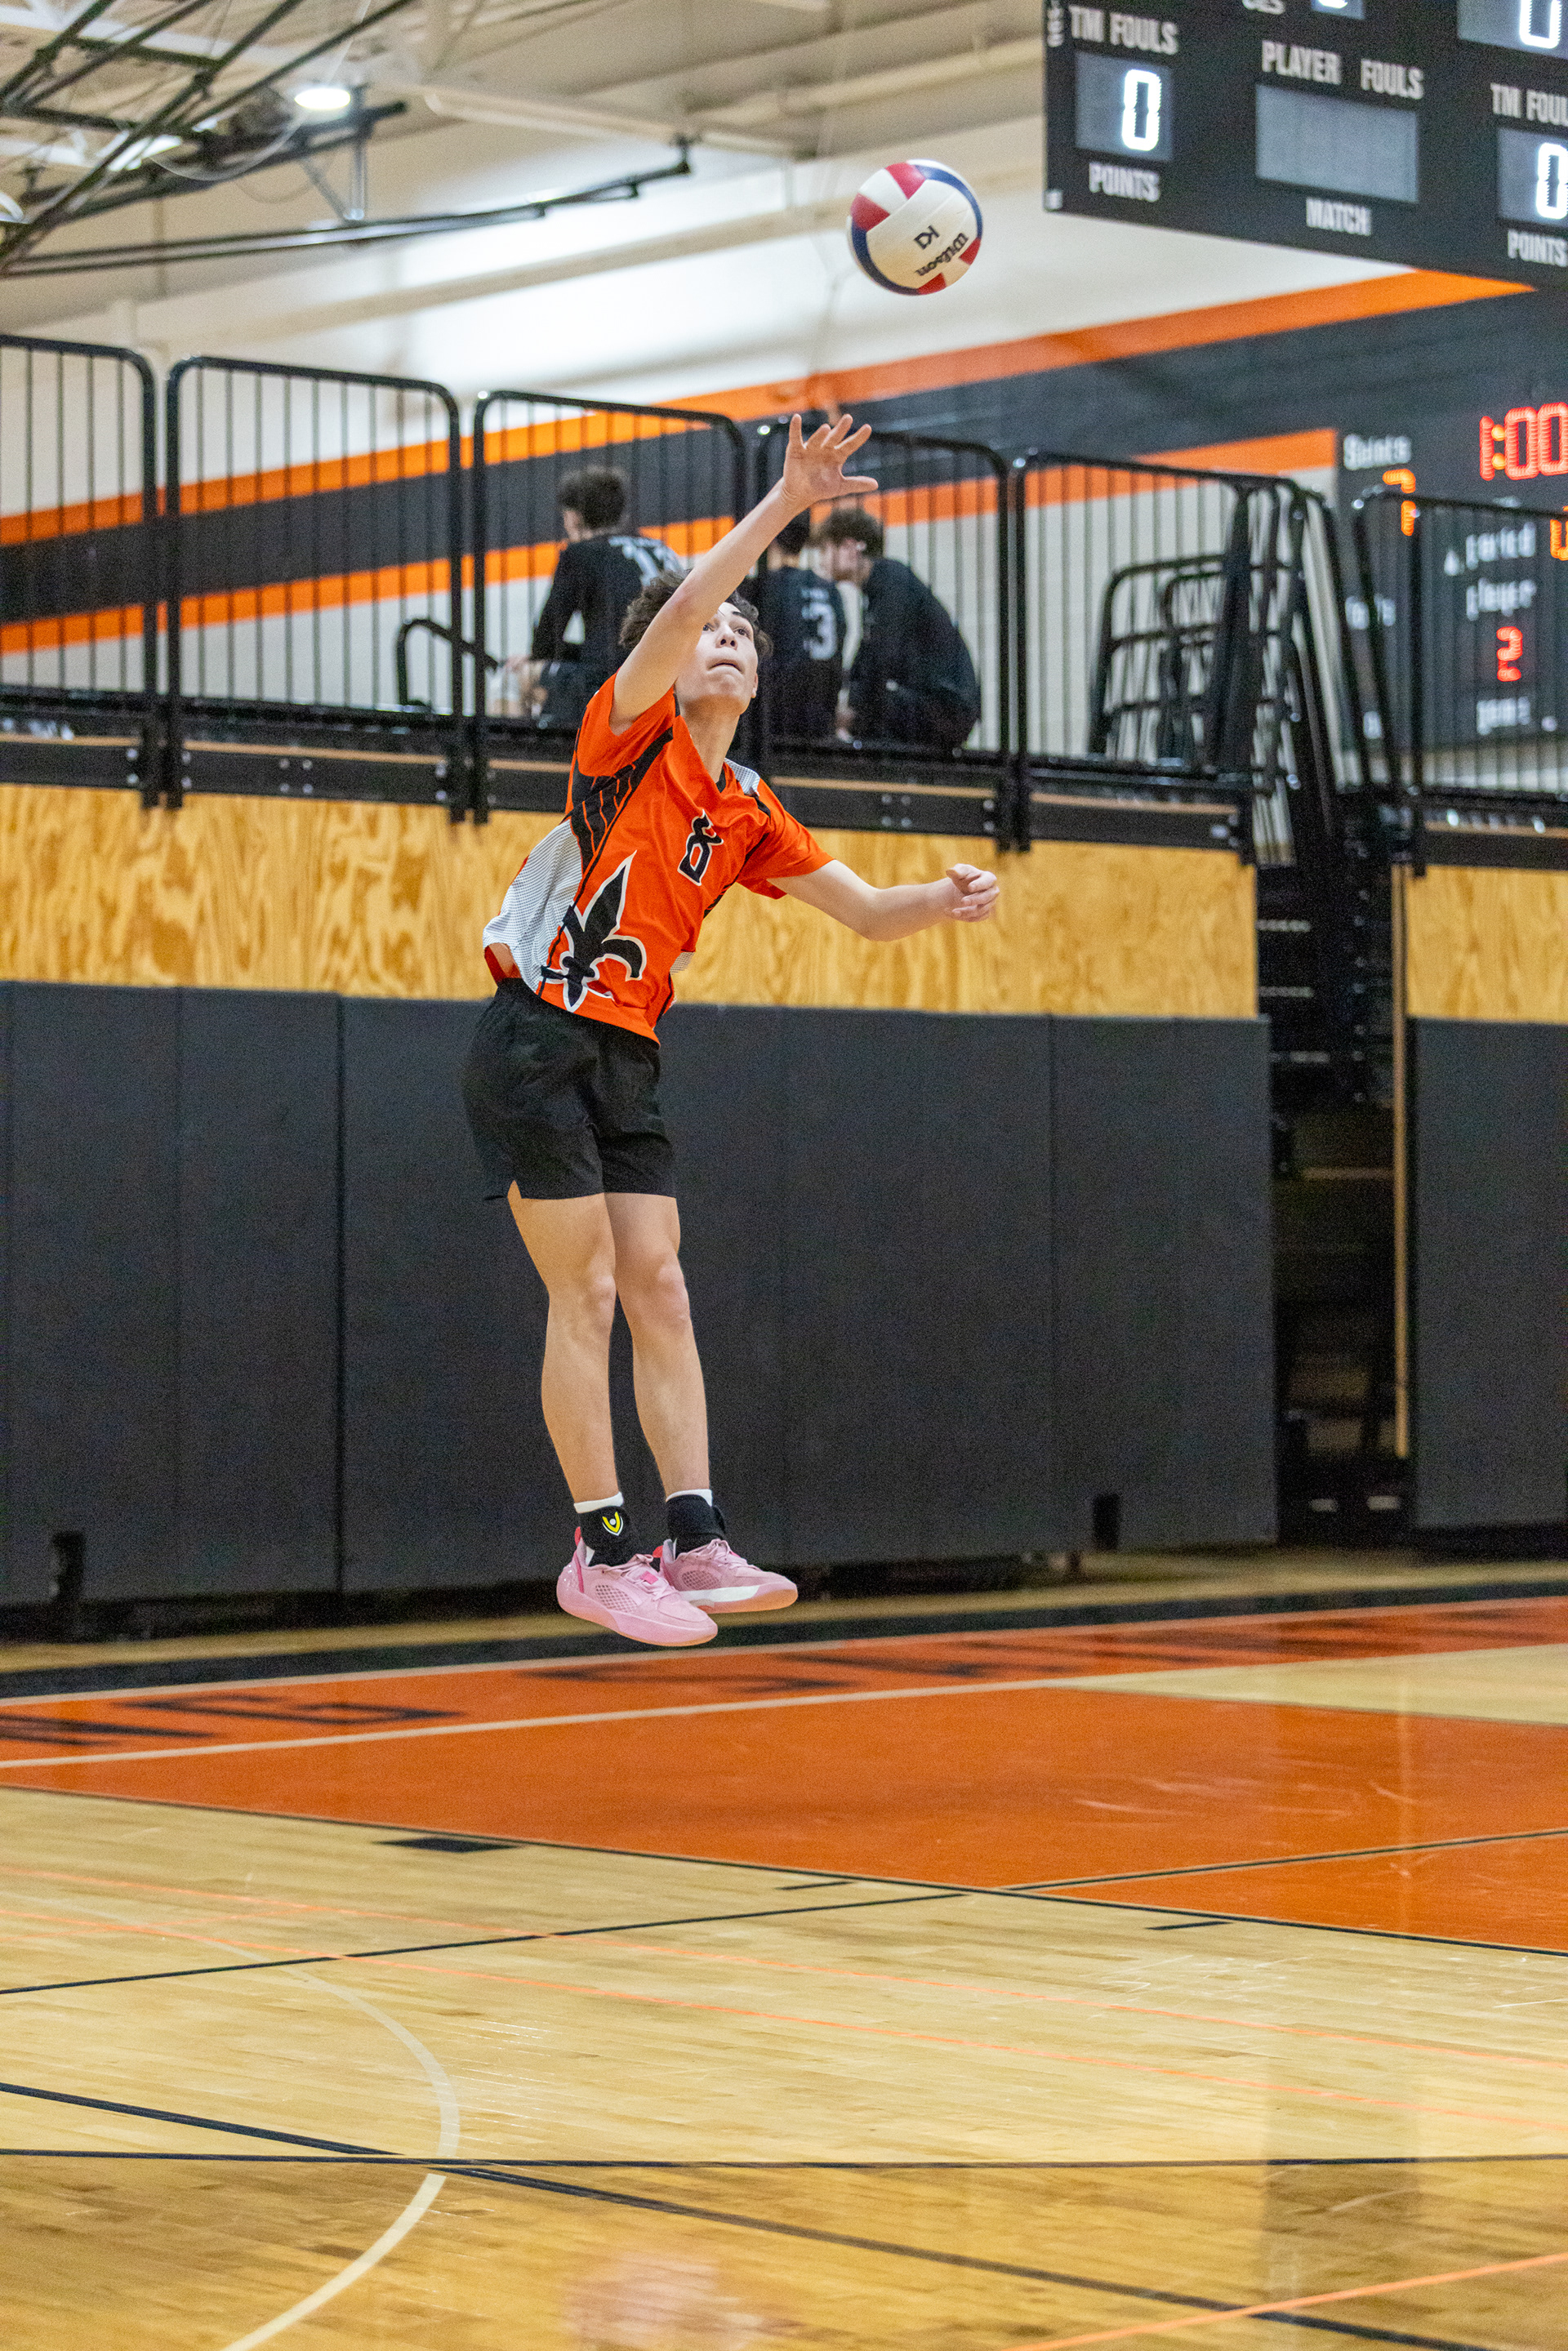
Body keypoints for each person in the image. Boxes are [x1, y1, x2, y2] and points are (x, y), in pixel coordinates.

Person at [462, 416, 1000, 1649]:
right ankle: (601, 1550)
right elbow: (688, 601)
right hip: (536, 1036)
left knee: (662, 1283)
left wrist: (943, 896)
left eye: (745, 638)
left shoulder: (747, 804)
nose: (727, 639)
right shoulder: (625, 734)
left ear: (758, 680)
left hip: (626, 1051)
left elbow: (867, 913)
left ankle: (694, 1536)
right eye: (713, 628)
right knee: (589, 1289)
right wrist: (784, 504)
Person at [509, 467, 680, 731]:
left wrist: (538, 658)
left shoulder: (581, 553)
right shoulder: (660, 549)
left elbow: (547, 638)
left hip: (612, 679)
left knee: (513, 676)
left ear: (574, 516)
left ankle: (518, 753)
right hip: (673, 678)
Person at [813, 506, 982, 753]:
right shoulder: (882, 585)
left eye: (825, 550)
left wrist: (852, 712)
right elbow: (869, 659)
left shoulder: (891, 582)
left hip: (946, 710)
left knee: (872, 708)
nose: (821, 561)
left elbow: (880, 659)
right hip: (937, 704)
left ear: (849, 548)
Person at [753, 508, 846, 741]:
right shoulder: (829, 589)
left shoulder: (762, 588)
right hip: (820, 720)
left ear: (769, 537)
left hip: (774, 724)